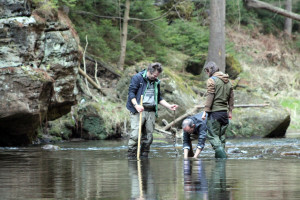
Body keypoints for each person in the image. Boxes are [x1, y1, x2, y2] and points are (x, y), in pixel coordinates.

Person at [126, 62, 178, 158]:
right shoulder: (137, 78)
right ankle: (131, 157)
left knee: (149, 137)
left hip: (151, 111)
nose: (155, 77)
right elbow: (131, 93)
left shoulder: (156, 82)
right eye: (154, 75)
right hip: (138, 110)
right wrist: (136, 105)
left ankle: (144, 157)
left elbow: (158, 98)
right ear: (149, 71)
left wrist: (169, 106)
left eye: (157, 76)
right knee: (135, 136)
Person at [201, 61, 234, 158]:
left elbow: (210, 96)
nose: (207, 74)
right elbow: (231, 97)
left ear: (210, 70)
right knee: (221, 138)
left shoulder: (212, 80)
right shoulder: (228, 81)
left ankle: (223, 156)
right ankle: (221, 164)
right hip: (224, 114)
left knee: (212, 136)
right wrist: (230, 111)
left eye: (207, 71)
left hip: (215, 113)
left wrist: (205, 111)